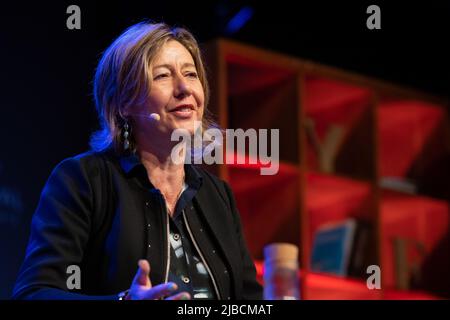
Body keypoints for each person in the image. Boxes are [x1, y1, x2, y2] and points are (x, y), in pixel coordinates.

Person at [13, 21, 262, 300]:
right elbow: (33, 293)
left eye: (191, 75)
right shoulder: (83, 180)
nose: (184, 88)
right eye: (163, 76)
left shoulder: (219, 197)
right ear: (124, 103)